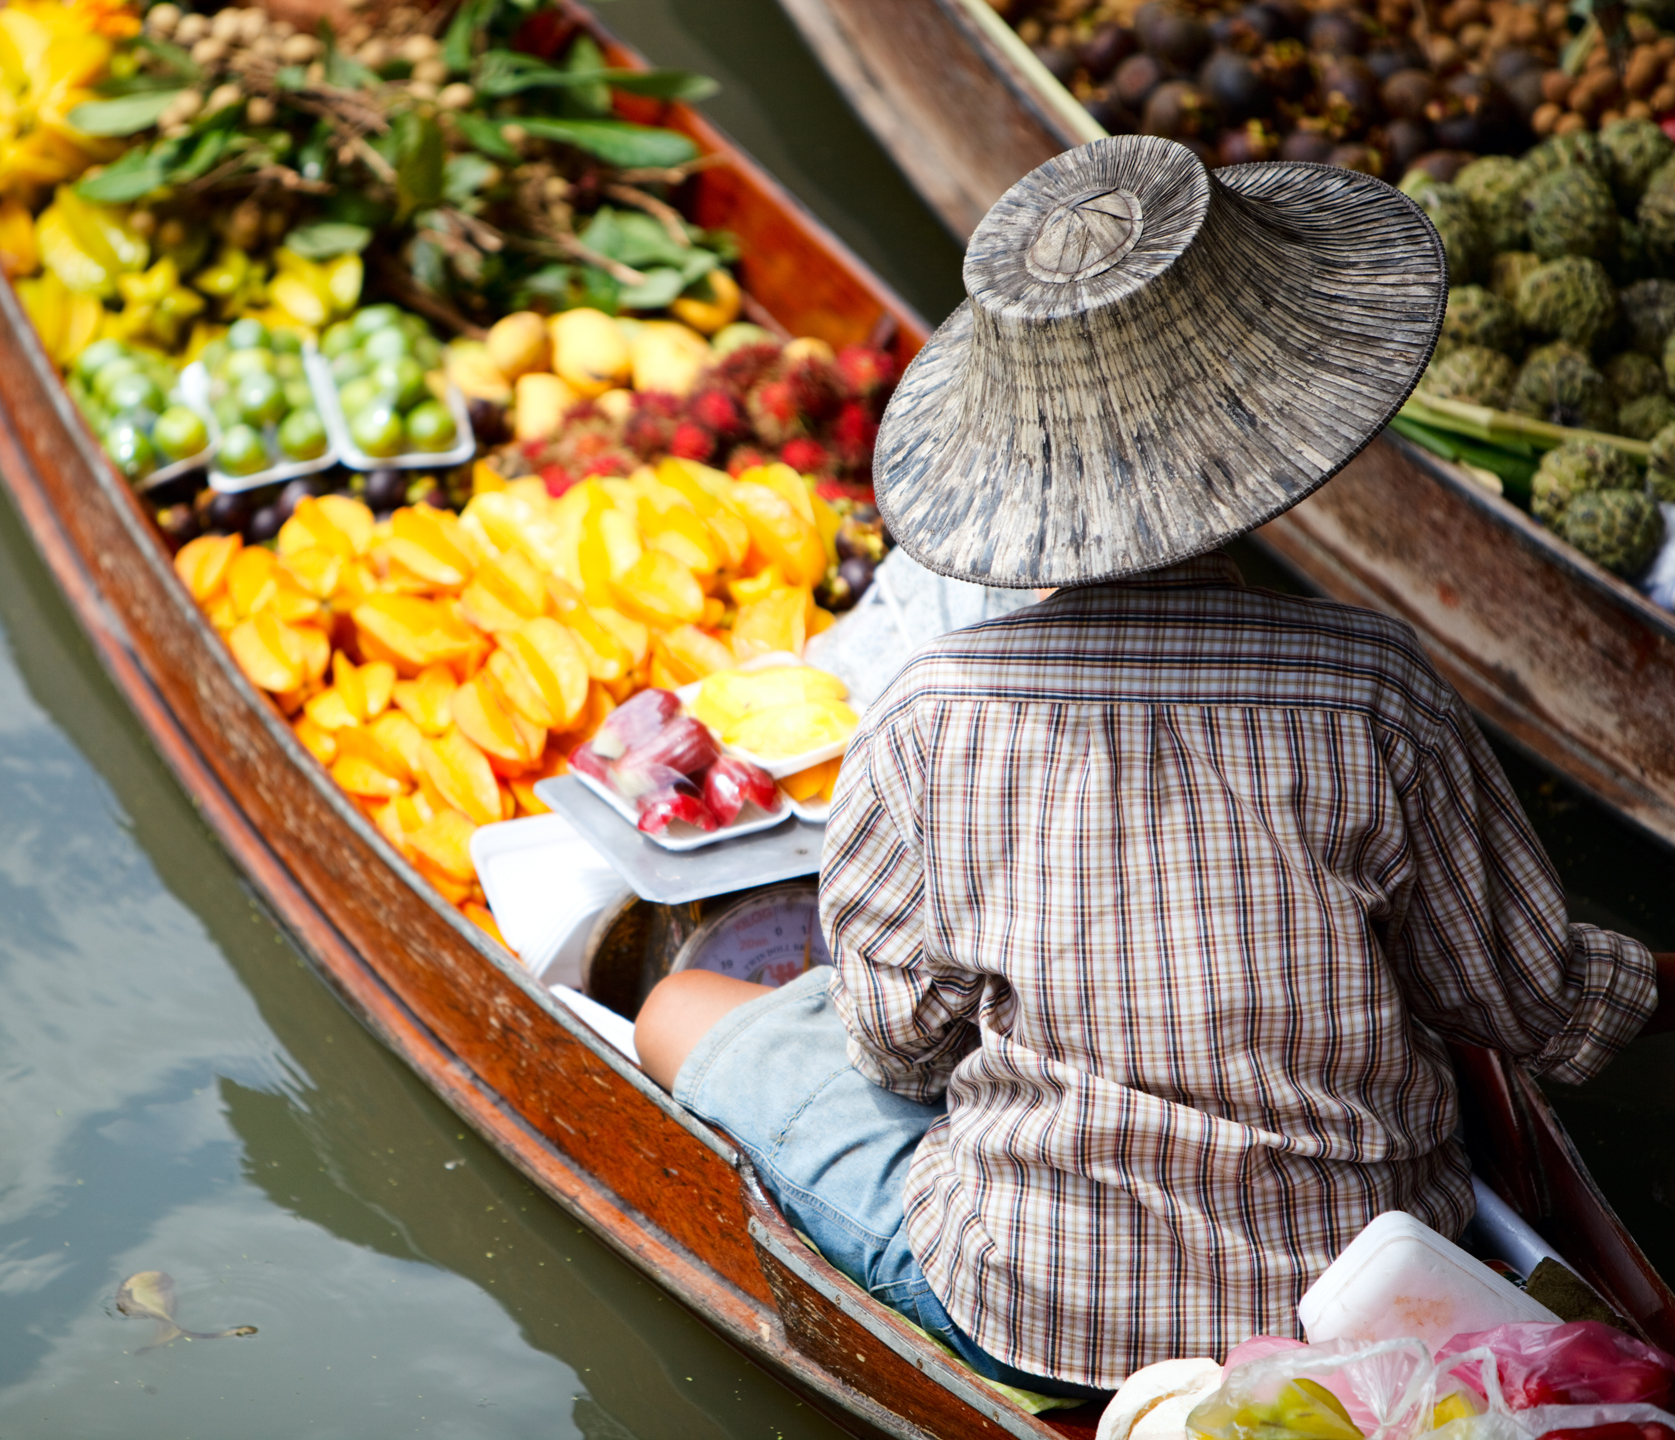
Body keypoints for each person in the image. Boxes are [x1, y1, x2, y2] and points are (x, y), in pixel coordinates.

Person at [633, 136, 1673, 1397]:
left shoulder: (928, 716)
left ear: (1015, 472)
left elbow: (899, 1049)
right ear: (1272, 421)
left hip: (1036, 1308)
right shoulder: (1376, 688)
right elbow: (1529, 1007)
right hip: (1356, 1302)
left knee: (678, 1010)